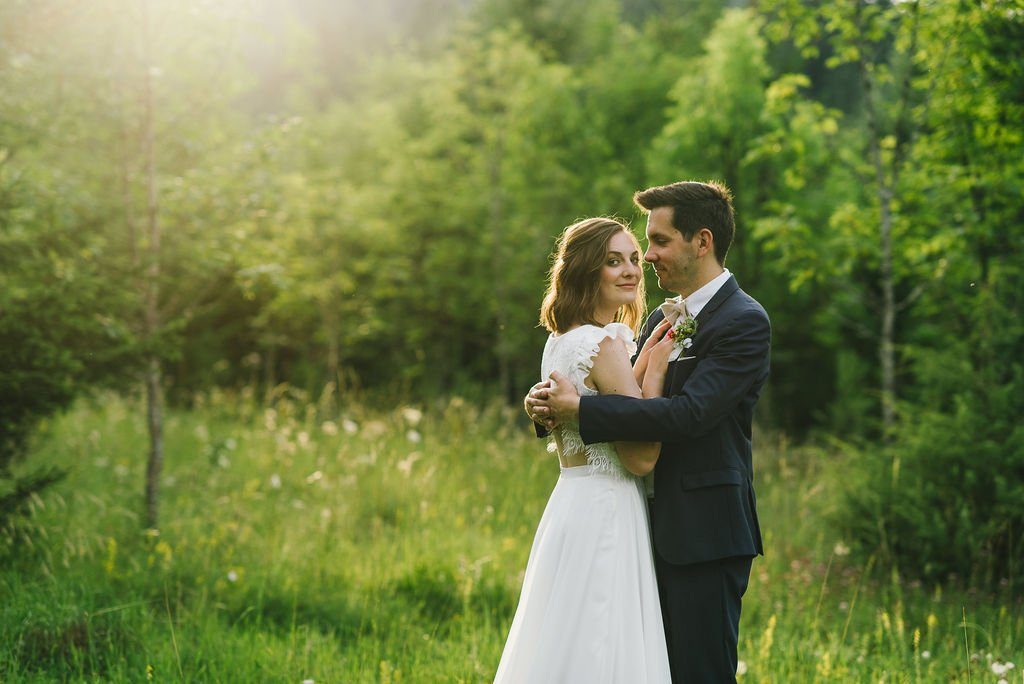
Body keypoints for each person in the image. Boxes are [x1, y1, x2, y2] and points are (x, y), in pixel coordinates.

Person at [527, 181, 770, 683]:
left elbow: (687, 416)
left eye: (658, 243)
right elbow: (623, 394)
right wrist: (549, 403)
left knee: (700, 673)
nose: (648, 259)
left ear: (700, 242)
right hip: (636, 524)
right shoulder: (660, 317)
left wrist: (581, 413)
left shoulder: (744, 322)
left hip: (703, 532)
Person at [494, 217, 674, 683]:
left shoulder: (560, 342)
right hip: (609, 509)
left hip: (570, 504)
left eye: (635, 258)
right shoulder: (604, 344)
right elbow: (642, 457)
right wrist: (654, 373)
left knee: (563, 636)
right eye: (613, 261)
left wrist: (641, 360)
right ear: (586, 270)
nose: (631, 270)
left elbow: (600, 404)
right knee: (602, 640)